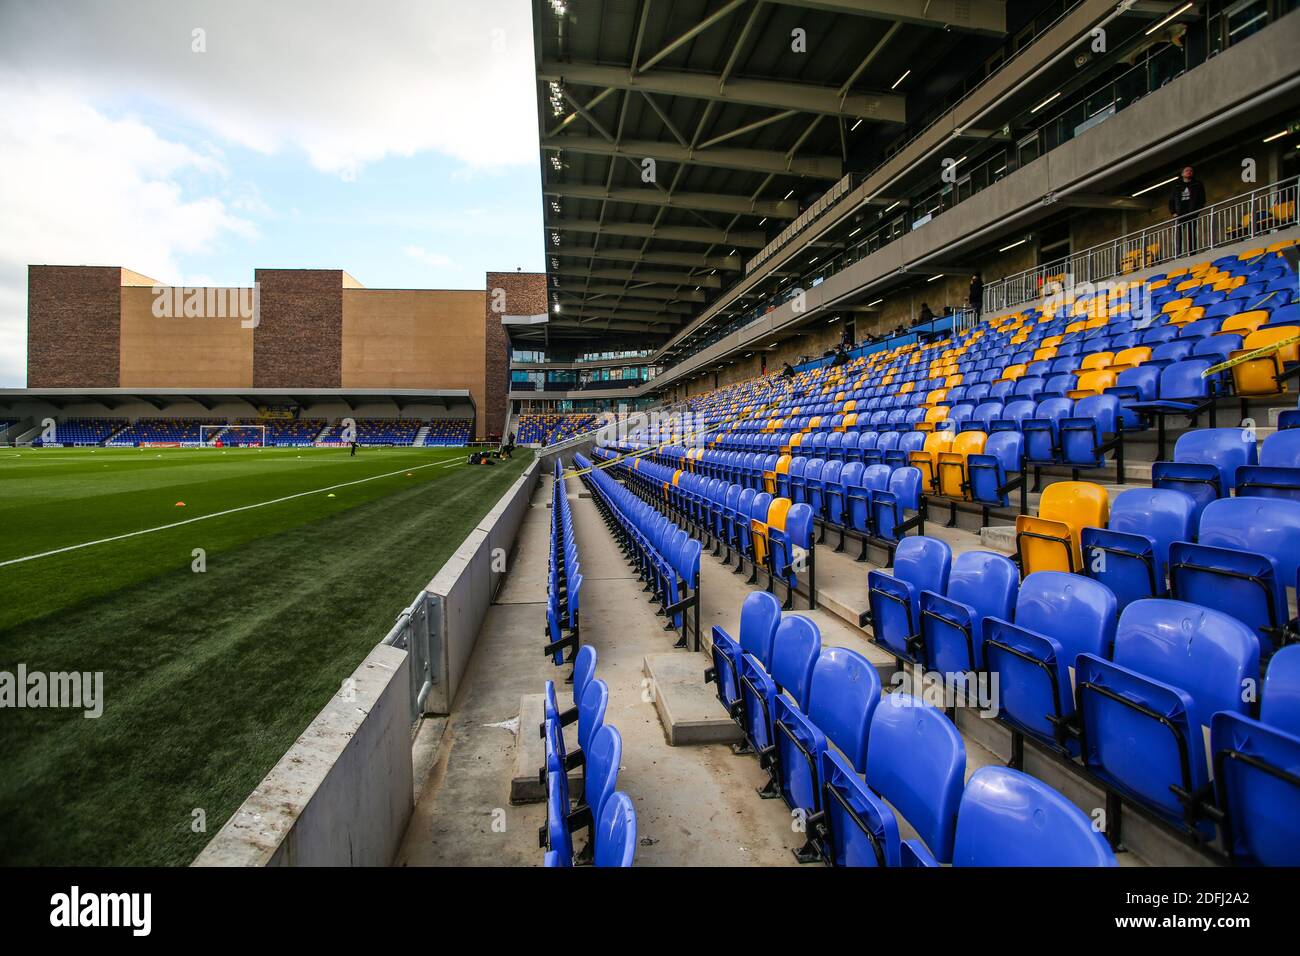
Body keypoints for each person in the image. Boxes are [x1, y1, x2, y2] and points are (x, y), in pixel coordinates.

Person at [1168, 165, 1206, 255]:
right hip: (1180, 213)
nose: (1189, 172)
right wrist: (1173, 212)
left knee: (1191, 233)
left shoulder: (1197, 184)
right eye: (1187, 170)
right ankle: (1178, 254)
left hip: (1192, 212)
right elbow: (1171, 201)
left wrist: (1197, 211)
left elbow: (1202, 199)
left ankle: (1192, 252)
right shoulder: (1177, 186)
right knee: (1178, 234)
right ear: (1182, 174)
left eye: (1191, 171)